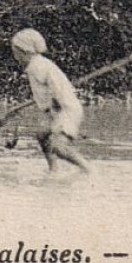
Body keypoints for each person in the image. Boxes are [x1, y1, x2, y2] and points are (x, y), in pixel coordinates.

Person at [10, 28, 90, 174]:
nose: (15, 55)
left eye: (15, 51)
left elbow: (55, 87)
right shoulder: (35, 65)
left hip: (66, 110)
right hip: (56, 110)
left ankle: (88, 169)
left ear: (25, 50)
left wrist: (55, 107)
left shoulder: (39, 66)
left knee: (58, 146)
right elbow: (43, 91)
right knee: (42, 135)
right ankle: (54, 169)